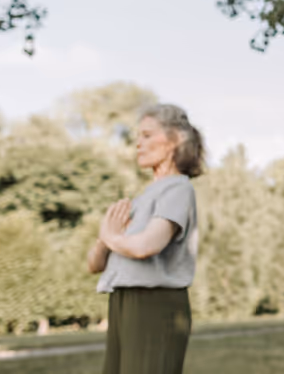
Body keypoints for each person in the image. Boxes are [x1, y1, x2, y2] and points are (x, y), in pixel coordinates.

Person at [87, 104, 203, 374]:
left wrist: (110, 236)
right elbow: (93, 264)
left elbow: (146, 246)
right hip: (121, 301)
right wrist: (106, 238)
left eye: (147, 135)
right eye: (138, 136)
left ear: (175, 140)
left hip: (155, 305)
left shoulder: (179, 189)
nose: (138, 144)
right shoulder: (143, 198)